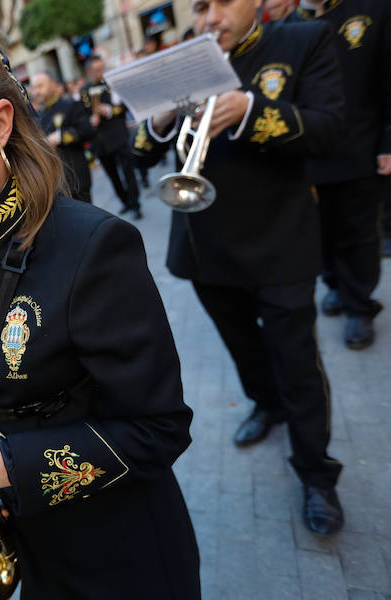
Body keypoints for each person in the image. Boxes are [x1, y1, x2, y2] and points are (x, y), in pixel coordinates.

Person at [0, 2, 200, 597]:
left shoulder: (93, 245)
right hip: (33, 550)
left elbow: (159, 430)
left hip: (124, 555)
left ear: (0, 123)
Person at [133, 0, 345, 535]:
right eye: (201, 5)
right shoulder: (185, 58)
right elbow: (139, 149)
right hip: (205, 244)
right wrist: (160, 115)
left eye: (223, 2)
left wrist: (248, 112)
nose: (210, 16)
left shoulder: (304, 42)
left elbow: (329, 130)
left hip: (280, 239)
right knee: (242, 345)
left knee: (297, 360)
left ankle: (317, 474)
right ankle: (264, 403)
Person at [286, 0, 391, 349]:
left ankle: (359, 307)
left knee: (358, 234)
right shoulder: (294, 22)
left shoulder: (374, 8)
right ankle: (335, 286)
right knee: (322, 231)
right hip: (311, 152)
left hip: (361, 146)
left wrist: (388, 141)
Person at [81, 55, 142, 219]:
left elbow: (123, 107)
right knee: (113, 175)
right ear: (89, 71)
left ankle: (135, 203)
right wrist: (90, 120)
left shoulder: (111, 85)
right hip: (100, 142)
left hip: (118, 136)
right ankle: (125, 201)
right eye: (97, 70)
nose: (101, 72)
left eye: (102, 68)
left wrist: (108, 110)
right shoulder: (84, 92)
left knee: (128, 172)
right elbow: (80, 116)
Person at [29, 71, 95, 204]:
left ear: (53, 85)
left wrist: (59, 137)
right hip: (56, 184)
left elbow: (86, 130)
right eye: (34, 88)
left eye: (40, 86)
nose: (36, 92)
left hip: (77, 177)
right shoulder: (37, 115)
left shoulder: (69, 105)